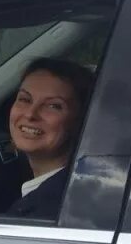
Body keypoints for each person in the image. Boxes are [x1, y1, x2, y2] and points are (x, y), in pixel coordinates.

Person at [6, 57, 94, 219]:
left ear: (81, 119)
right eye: (25, 99)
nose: (30, 114)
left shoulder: (53, 210)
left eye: (53, 106)